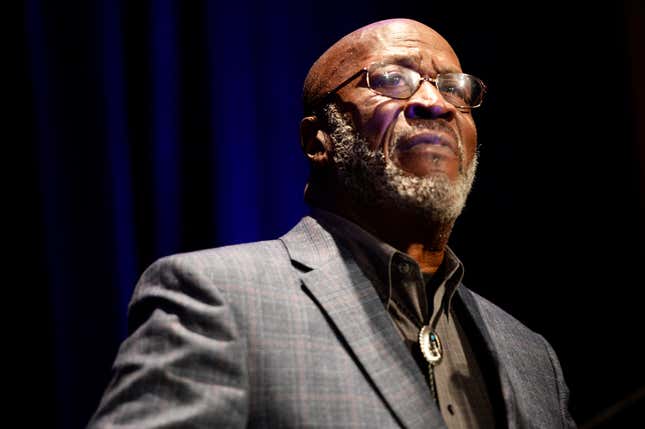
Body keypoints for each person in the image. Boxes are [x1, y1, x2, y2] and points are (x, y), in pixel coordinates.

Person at [89, 18, 575, 428]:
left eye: (454, 88)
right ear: (317, 139)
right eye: (391, 79)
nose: (437, 103)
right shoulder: (218, 298)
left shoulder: (531, 358)